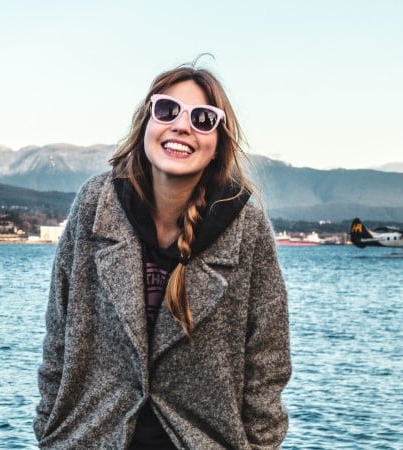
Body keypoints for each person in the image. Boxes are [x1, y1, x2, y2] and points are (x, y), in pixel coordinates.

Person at [34, 58, 291, 449]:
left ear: (218, 142)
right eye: (167, 110)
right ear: (146, 124)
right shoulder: (95, 205)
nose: (182, 125)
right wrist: (49, 429)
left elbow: (268, 359)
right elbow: (59, 332)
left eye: (203, 119)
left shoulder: (246, 226)